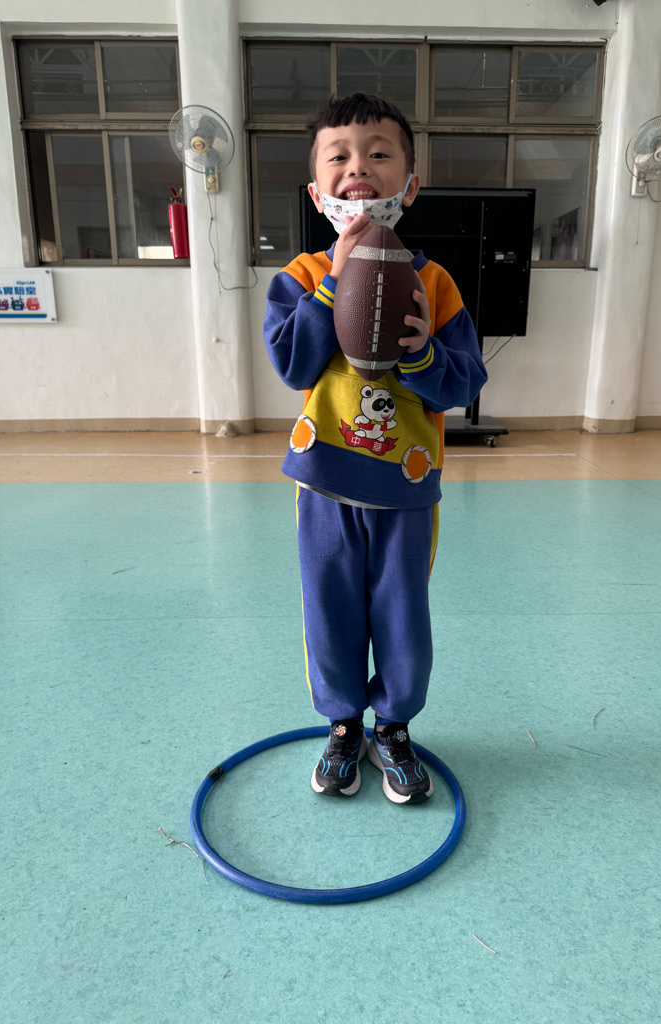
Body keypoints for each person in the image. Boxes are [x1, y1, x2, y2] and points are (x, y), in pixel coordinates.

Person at [264, 93, 487, 804]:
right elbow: (293, 364)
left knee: (402, 618)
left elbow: (465, 381)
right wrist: (336, 282)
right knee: (329, 615)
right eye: (339, 156)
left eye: (379, 153)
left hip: (405, 488)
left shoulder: (436, 284)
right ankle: (342, 725)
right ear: (317, 190)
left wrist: (423, 356)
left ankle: (393, 725)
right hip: (324, 483)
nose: (358, 168)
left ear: (409, 185)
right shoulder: (301, 277)